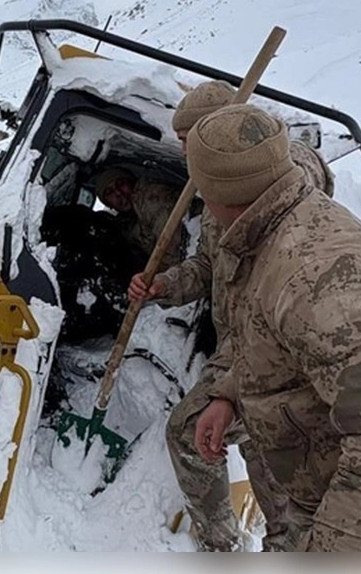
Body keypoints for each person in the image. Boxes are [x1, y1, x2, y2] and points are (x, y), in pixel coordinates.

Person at [183, 103, 361, 552]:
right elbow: (278, 348)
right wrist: (229, 393)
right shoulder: (270, 234)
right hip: (325, 500)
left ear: (216, 190)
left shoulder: (325, 281)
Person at [132, 79, 334, 551]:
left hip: (277, 352)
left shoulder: (277, 175)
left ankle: (239, 546)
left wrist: (243, 155)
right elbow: (207, 267)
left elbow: (301, 172)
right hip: (239, 349)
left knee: (219, 442)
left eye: (189, 142)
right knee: (253, 452)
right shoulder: (214, 196)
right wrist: (164, 286)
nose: (185, 154)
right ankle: (233, 541)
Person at [93, 166, 187, 271]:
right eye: (109, 192)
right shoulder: (128, 220)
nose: (119, 193)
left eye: (121, 183)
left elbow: (175, 253)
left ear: (131, 182)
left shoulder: (152, 199)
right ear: (108, 204)